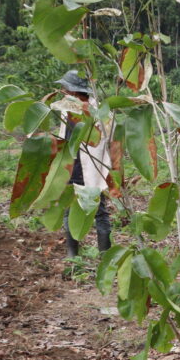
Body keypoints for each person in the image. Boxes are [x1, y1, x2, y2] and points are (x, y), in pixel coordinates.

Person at [51, 70, 113, 257]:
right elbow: (64, 137)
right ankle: (72, 256)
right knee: (68, 210)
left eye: (65, 89)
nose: (63, 91)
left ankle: (105, 255)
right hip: (71, 168)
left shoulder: (99, 112)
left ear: (74, 91)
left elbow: (107, 140)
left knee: (99, 212)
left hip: (92, 170)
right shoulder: (67, 109)